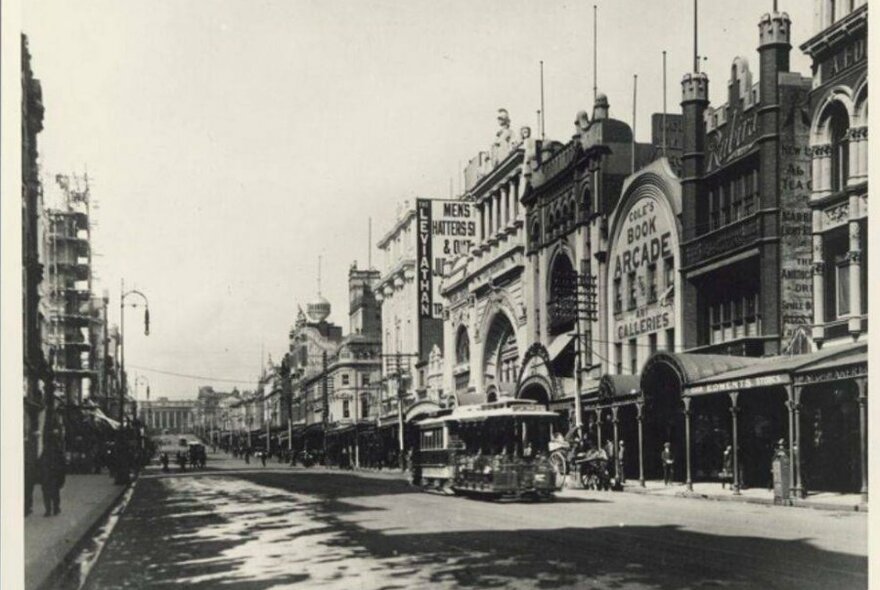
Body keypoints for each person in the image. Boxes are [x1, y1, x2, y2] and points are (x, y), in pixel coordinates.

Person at [40, 430, 66, 517]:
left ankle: (48, 510)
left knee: (46, 492)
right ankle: (56, 508)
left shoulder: (45, 451)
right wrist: (62, 478)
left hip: (46, 475)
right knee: (55, 492)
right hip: (55, 475)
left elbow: (40, 463)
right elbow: (63, 465)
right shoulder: (58, 451)